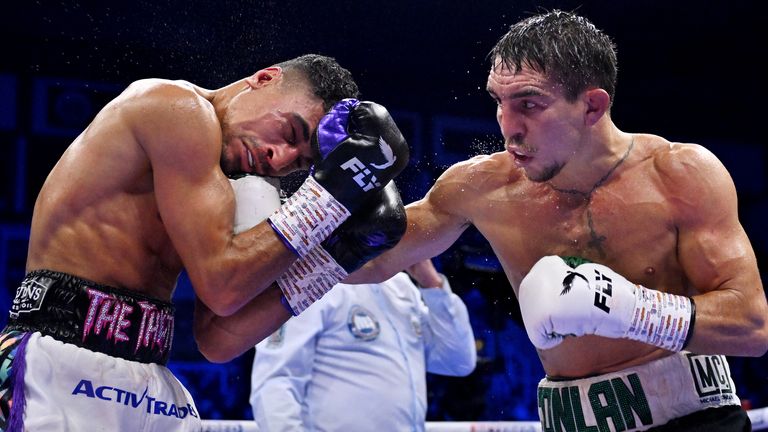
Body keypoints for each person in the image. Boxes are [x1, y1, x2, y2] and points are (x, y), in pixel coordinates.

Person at [348, 10, 768, 431]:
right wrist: (315, 203)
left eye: (529, 104)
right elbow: (369, 259)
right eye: (499, 102)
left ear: (592, 106)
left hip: (694, 421)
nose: (509, 128)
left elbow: (752, 326)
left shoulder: (679, 174)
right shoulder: (480, 187)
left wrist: (629, 309)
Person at [0, 53, 410, 431]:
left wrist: (337, 258)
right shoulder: (174, 107)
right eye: (289, 132)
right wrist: (330, 197)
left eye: (302, 162)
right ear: (265, 78)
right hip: (59, 360)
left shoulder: (233, 182)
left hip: (147, 374)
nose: (280, 158)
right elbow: (223, 285)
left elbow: (219, 337)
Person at [248, 257, 476, 432]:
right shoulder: (312, 278)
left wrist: (431, 283)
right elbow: (274, 382)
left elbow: (458, 362)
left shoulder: (402, 287)